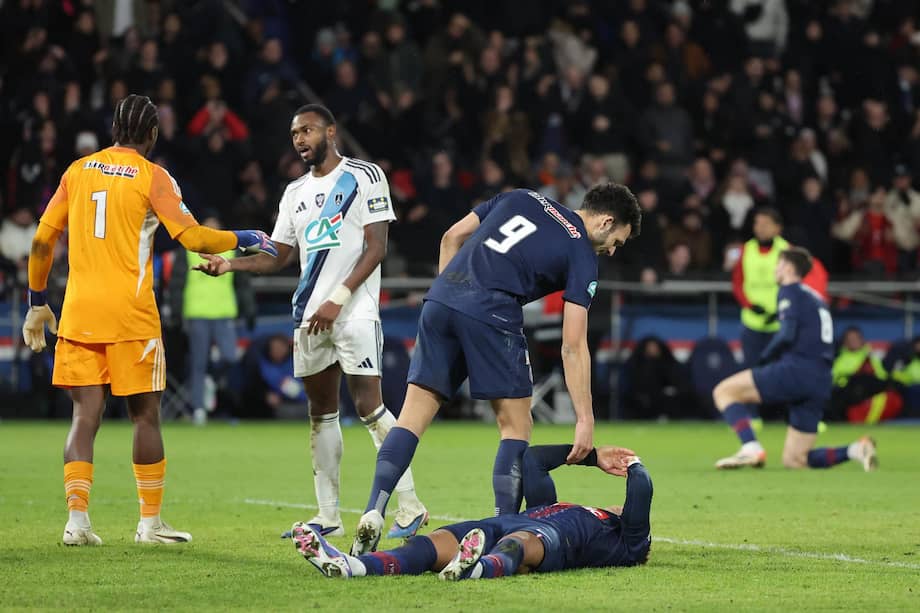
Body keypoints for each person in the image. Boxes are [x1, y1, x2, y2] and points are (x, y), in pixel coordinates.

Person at [21, 94, 278, 546]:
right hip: (131, 317)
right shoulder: (153, 176)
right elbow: (194, 237)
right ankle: (149, 524)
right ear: (153, 135)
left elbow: (44, 238)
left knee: (84, 416)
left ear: (113, 130)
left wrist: (37, 300)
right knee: (145, 418)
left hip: (79, 312)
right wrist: (249, 235)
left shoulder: (77, 171)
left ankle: (77, 523)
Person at [350, 184, 641, 556]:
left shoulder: (521, 197)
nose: (613, 250)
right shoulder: (582, 251)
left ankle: (374, 508)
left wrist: (453, 297)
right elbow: (572, 343)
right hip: (492, 310)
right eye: (617, 240)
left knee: (411, 419)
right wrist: (585, 417)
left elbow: (451, 236)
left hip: (441, 299)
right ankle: (503, 529)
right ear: (606, 221)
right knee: (516, 426)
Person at [195, 104, 428, 538]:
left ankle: (411, 506)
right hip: (309, 316)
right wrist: (230, 266)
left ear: (330, 131)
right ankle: (328, 516)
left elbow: (376, 247)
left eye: (307, 130)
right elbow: (279, 257)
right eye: (294, 134)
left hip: (353, 311)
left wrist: (338, 299)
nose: (300, 139)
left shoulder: (365, 176)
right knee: (320, 413)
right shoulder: (294, 192)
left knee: (370, 408)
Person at [291, 443, 651, 579]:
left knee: (521, 542)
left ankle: (478, 569)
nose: (621, 506)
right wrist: (590, 457)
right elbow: (533, 459)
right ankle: (352, 566)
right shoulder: (553, 505)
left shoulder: (626, 543)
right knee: (436, 542)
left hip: (554, 541)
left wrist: (632, 463)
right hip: (498, 526)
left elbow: (642, 491)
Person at [712, 247, 878, 471]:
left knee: (724, 391)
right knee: (795, 460)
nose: (775, 269)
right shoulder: (816, 297)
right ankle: (857, 450)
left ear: (788, 268)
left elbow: (786, 334)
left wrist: (764, 359)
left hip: (798, 369)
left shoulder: (789, 290)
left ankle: (750, 447)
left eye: (778, 265)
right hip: (820, 378)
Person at [169, 211, 255, 425]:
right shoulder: (189, 250)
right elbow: (177, 284)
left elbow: (242, 284)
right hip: (197, 313)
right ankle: (199, 408)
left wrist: (249, 309)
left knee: (230, 356)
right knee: (198, 362)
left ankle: (212, 381)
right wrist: (176, 311)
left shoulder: (231, 252)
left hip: (223, 312)